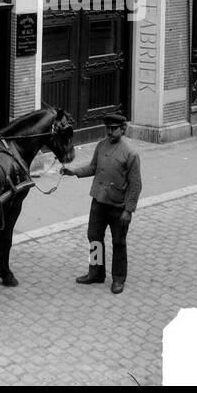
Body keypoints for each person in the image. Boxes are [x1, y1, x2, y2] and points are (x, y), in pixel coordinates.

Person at [61, 111, 141, 294]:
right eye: (108, 128)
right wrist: (74, 172)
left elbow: (136, 186)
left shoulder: (130, 154)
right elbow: (93, 167)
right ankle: (96, 272)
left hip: (118, 207)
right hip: (99, 203)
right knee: (94, 238)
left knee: (118, 242)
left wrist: (128, 210)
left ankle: (119, 278)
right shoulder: (101, 146)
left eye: (114, 129)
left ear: (123, 129)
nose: (110, 132)